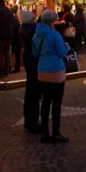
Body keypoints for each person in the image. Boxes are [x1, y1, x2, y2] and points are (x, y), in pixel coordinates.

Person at [33, 9, 70, 144]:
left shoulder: (36, 35)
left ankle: (44, 133)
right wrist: (66, 47)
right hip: (56, 71)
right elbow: (61, 53)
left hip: (42, 71)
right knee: (56, 104)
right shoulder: (55, 35)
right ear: (53, 20)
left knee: (45, 102)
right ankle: (56, 132)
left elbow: (35, 53)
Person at [20, 9, 42, 134]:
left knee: (30, 90)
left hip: (28, 61)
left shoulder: (23, 29)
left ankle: (28, 120)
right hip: (34, 62)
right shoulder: (33, 30)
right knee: (35, 92)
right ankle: (33, 121)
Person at [0, 0, 15, 77]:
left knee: (0, 54)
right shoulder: (9, 12)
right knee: (7, 53)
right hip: (8, 36)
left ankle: (0, 71)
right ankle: (6, 71)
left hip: (0, 36)